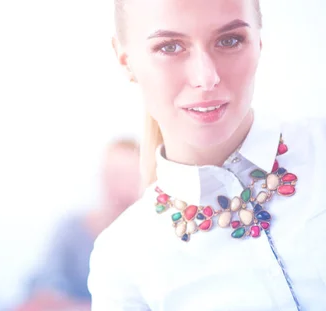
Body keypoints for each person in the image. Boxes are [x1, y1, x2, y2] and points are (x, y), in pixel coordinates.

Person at [88, 0, 326, 310]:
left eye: (229, 40)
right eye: (169, 47)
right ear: (125, 60)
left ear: (259, 42)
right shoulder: (120, 260)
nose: (206, 77)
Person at [17, 139, 141, 311]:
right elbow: (45, 289)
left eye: (129, 177)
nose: (119, 186)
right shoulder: (72, 230)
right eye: (113, 175)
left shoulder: (154, 238)